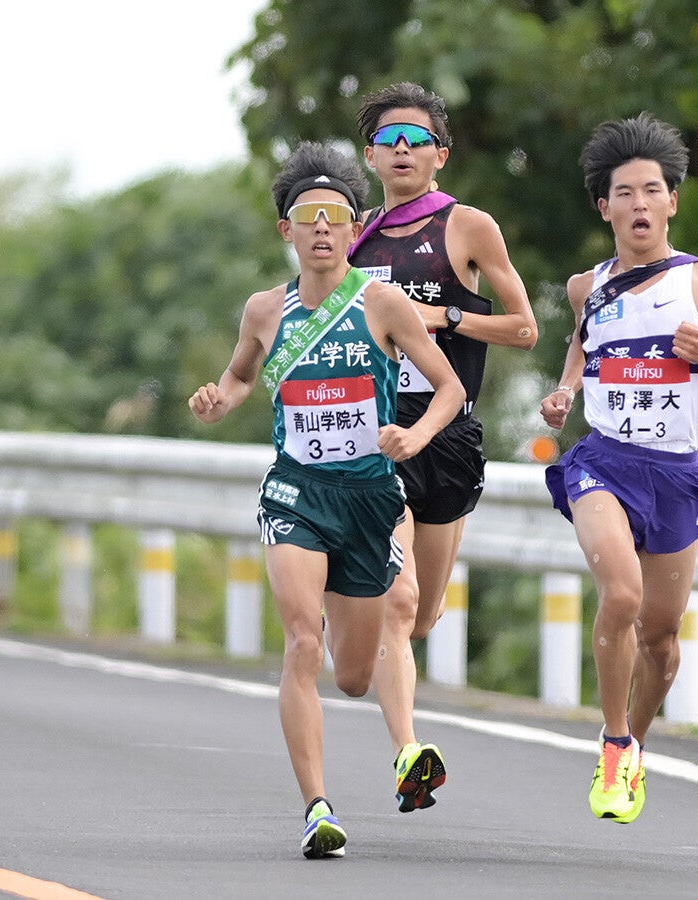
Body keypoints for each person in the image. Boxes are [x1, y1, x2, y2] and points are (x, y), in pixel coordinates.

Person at [188, 141, 464, 859]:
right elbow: (242, 377)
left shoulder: (383, 302)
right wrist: (221, 399)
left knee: (350, 673)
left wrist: (415, 434)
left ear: (353, 228)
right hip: (296, 492)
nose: (319, 229)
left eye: (334, 217)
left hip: (369, 497)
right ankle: (317, 807)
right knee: (303, 643)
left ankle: (397, 747)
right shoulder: (263, 310)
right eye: (305, 217)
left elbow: (450, 389)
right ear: (286, 230)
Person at [540, 113, 698, 823]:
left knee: (662, 640)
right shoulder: (588, 287)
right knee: (621, 597)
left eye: (652, 190)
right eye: (624, 192)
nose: (639, 204)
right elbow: (583, 349)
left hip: (674, 471)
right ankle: (612, 747)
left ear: (672, 200)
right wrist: (565, 392)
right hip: (604, 461)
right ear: (603, 206)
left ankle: (634, 748)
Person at [348, 82, 538, 812]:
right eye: (388, 140)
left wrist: (444, 317)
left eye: (415, 139)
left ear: (440, 154)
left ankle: (368, 644)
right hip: (374, 433)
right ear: (369, 155)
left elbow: (523, 327)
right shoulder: (353, 233)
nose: (402, 150)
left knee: (420, 613)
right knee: (398, 599)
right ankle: (407, 753)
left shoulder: (466, 226)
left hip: (448, 429)